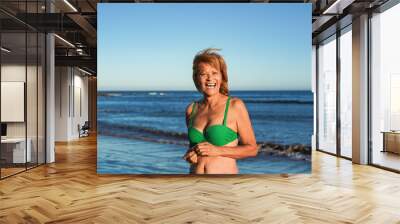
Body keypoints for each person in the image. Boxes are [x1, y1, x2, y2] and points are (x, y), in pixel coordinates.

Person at [183, 48, 258, 174]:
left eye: (214, 73)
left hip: (223, 186)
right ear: (196, 78)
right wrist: (191, 155)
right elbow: (194, 148)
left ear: (222, 76)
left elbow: (252, 149)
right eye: (203, 74)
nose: (209, 78)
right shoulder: (192, 109)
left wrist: (218, 150)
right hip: (194, 184)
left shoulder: (235, 106)